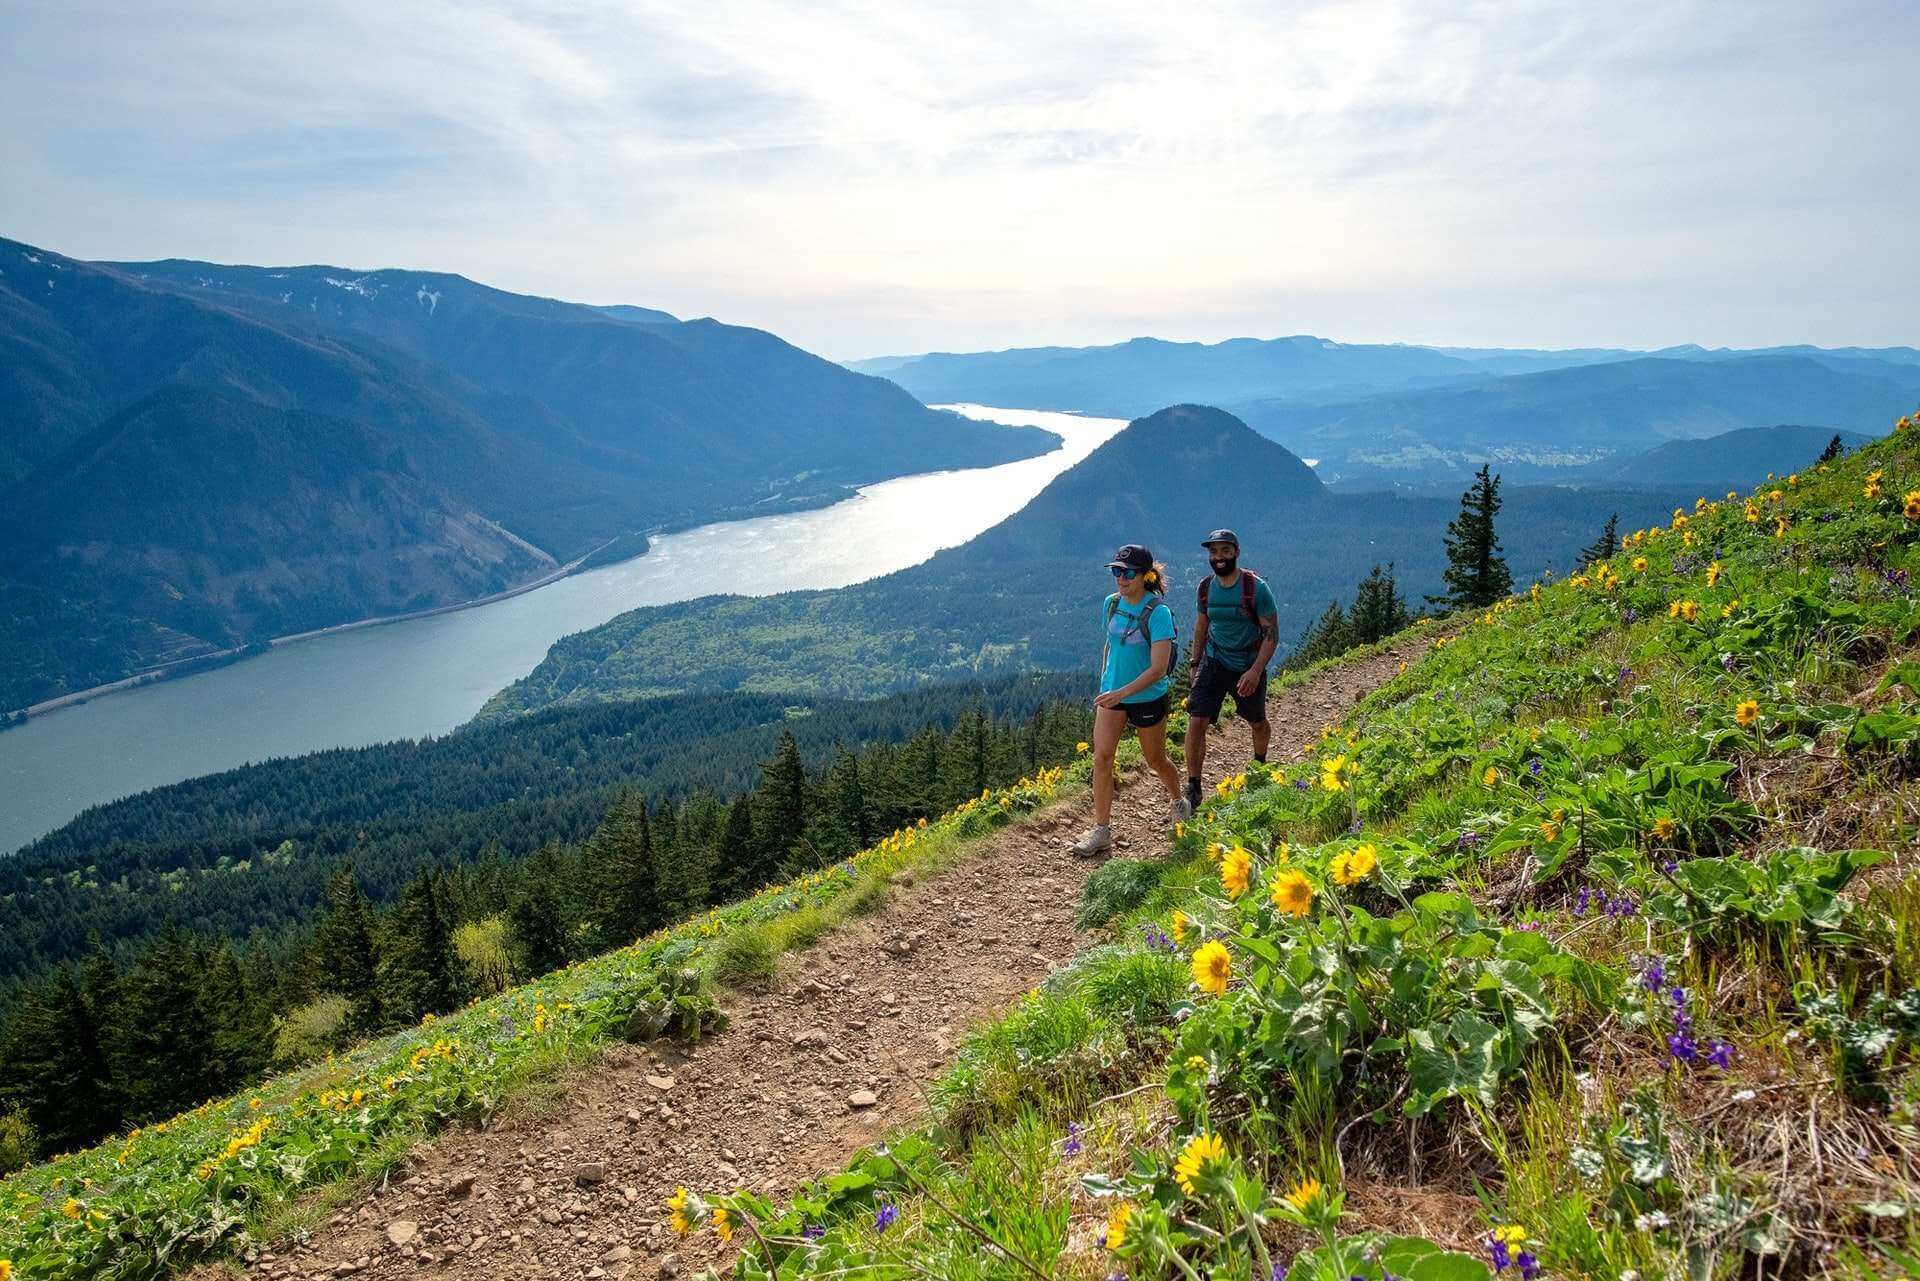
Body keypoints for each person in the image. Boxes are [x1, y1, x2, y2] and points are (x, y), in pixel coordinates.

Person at [1073, 544, 1192, 857]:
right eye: (1116, 571)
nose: (1120, 578)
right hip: (1112, 695)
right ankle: (1101, 830)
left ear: (1145, 575)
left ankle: (1178, 800)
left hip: (1147, 697)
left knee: (1155, 760)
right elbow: (1110, 646)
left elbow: (1157, 669)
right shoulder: (1112, 605)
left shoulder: (1159, 613)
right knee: (1101, 758)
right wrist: (1106, 683)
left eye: (1127, 573)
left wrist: (1121, 692)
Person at [1183, 528, 1278, 811]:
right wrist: (1195, 662)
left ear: (1236, 552)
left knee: (1257, 721)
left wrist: (1255, 671)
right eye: (1213, 552)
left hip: (1247, 664)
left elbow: (1271, 635)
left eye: (1225, 551)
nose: (1219, 557)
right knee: (1196, 720)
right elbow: (1201, 627)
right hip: (1214, 660)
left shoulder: (1256, 588)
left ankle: (1259, 765)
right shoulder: (1205, 588)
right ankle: (1194, 785)